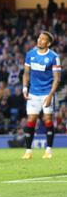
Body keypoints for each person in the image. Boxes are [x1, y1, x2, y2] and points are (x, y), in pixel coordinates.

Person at [21, 31, 61, 159]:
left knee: (47, 120)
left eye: (43, 39)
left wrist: (50, 96)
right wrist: (24, 88)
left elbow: (57, 78)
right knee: (31, 120)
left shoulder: (54, 57)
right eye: (39, 38)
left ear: (48, 43)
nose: (39, 40)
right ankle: (28, 151)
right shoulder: (30, 55)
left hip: (47, 92)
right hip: (33, 93)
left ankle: (48, 150)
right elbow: (26, 73)